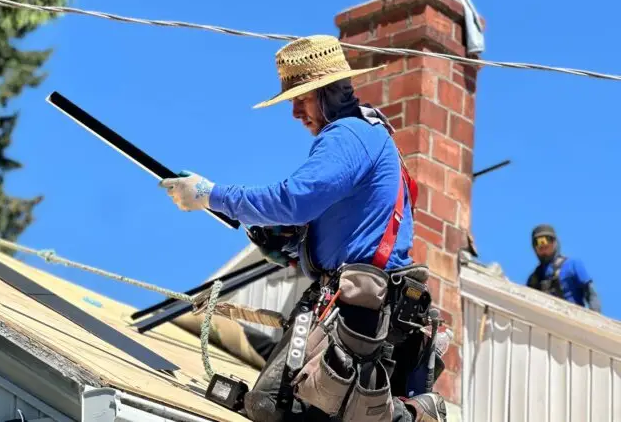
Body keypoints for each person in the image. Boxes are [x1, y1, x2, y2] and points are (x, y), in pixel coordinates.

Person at [160, 35, 447, 422]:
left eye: (301, 97)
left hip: (358, 306)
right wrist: (299, 247)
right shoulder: (369, 134)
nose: (295, 112)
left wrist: (211, 195)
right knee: (287, 406)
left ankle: (404, 417)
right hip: (368, 303)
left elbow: (294, 200)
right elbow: (347, 224)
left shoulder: (347, 135)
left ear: (328, 92)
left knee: (274, 406)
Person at [526, 224, 601, 312]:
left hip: (573, 318)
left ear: (555, 244)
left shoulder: (573, 265)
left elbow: (591, 293)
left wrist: (594, 318)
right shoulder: (535, 277)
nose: (544, 251)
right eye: (540, 248)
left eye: (547, 247)